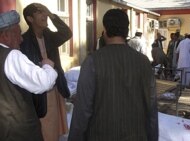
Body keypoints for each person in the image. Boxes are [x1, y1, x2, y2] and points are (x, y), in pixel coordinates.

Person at [68, 8, 158, 141]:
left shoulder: (93, 61)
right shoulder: (143, 62)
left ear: (105, 31)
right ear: (126, 31)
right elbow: (151, 107)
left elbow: (82, 110)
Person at [0, 10, 58, 141]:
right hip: (19, 133)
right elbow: (43, 82)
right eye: (18, 33)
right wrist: (47, 66)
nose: (21, 39)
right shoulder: (12, 56)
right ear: (5, 35)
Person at [20, 3, 72, 141]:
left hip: (55, 88)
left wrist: (51, 14)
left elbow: (67, 33)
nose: (44, 15)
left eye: (44, 12)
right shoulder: (24, 41)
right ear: (30, 19)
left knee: (55, 128)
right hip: (40, 93)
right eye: (40, 13)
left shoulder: (49, 36)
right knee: (45, 128)